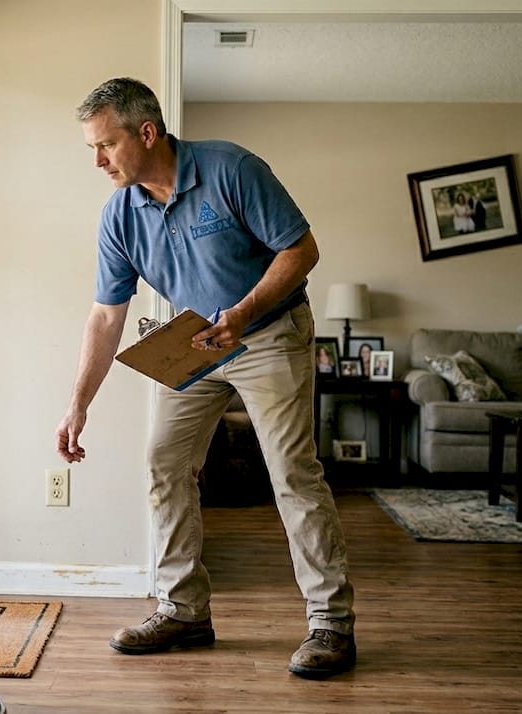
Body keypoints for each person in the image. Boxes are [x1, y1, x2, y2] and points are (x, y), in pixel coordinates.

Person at [55, 77, 356, 679]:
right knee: (165, 463)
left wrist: (240, 316)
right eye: (91, 148)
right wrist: (78, 405)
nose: (97, 160)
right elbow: (106, 315)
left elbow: (301, 250)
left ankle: (331, 623)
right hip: (194, 345)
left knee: (293, 472)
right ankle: (184, 609)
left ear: (146, 132)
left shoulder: (231, 169)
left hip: (267, 332)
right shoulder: (119, 215)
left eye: (106, 145)